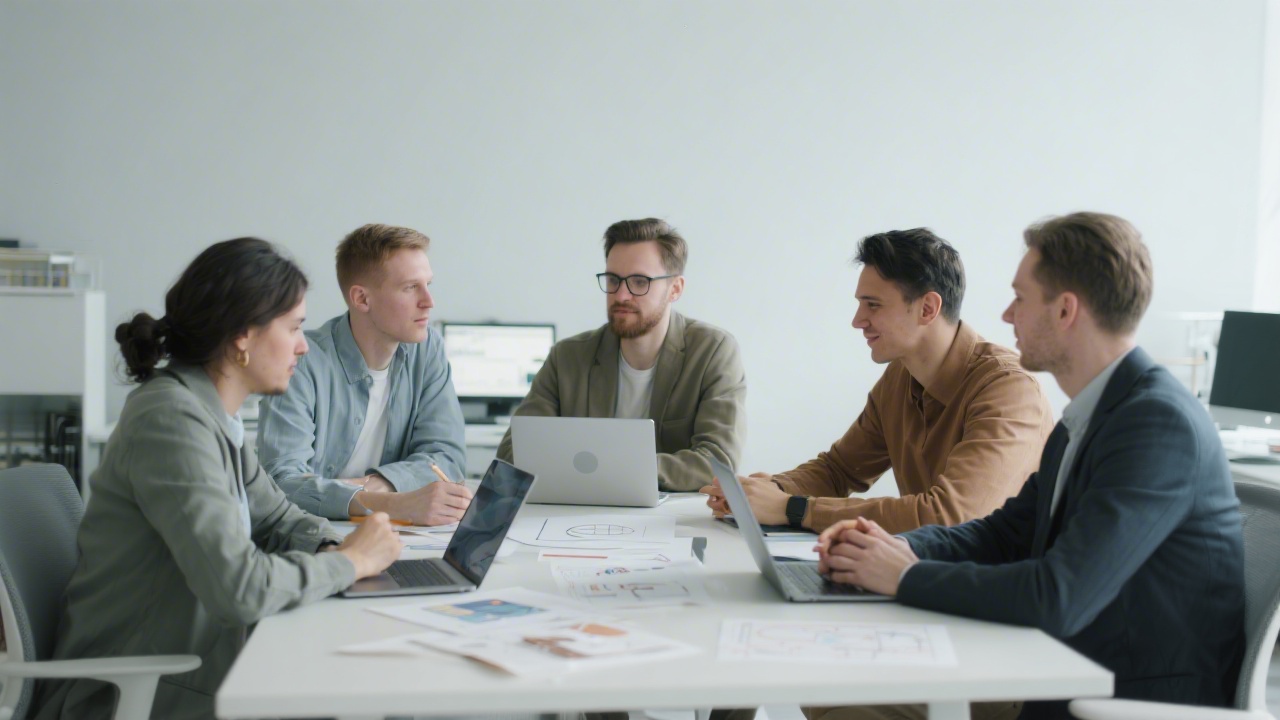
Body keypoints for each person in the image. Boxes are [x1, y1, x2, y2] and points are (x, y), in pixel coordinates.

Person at [817, 212, 1246, 720]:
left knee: (843, 695)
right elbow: (1003, 534)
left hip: (1117, 702)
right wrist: (896, 547)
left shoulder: (1157, 425)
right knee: (831, 686)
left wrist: (906, 576)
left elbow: (1057, 596)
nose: (1006, 315)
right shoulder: (1087, 418)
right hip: (1060, 672)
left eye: (1020, 298)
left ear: (1065, 310)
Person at [36, 238, 402, 720]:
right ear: (242, 336)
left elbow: (277, 517)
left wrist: (333, 545)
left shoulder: (211, 414)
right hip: (133, 696)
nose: (303, 346)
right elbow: (240, 590)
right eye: (294, 327)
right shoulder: (171, 420)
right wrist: (350, 563)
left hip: (195, 669)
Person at [703, 229, 1054, 534]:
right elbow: (839, 470)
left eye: (872, 305)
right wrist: (765, 491)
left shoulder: (1010, 389)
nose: (857, 320)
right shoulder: (901, 374)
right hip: (928, 570)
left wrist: (794, 508)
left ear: (927, 309)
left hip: (997, 585)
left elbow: (950, 515)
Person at [495, 218, 746, 491]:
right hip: (581, 508)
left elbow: (718, 461)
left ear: (675, 288)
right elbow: (513, 452)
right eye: (613, 280)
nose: (621, 295)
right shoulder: (567, 357)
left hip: (671, 513)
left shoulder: (712, 351)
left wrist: (610, 467)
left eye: (639, 281)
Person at [257, 223, 472, 526]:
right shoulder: (300, 360)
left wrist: (377, 485)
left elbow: (447, 457)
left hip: (395, 533)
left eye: (428, 284)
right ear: (361, 299)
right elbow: (279, 483)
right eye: (410, 287)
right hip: (315, 535)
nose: (429, 301)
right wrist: (393, 503)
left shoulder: (427, 349)